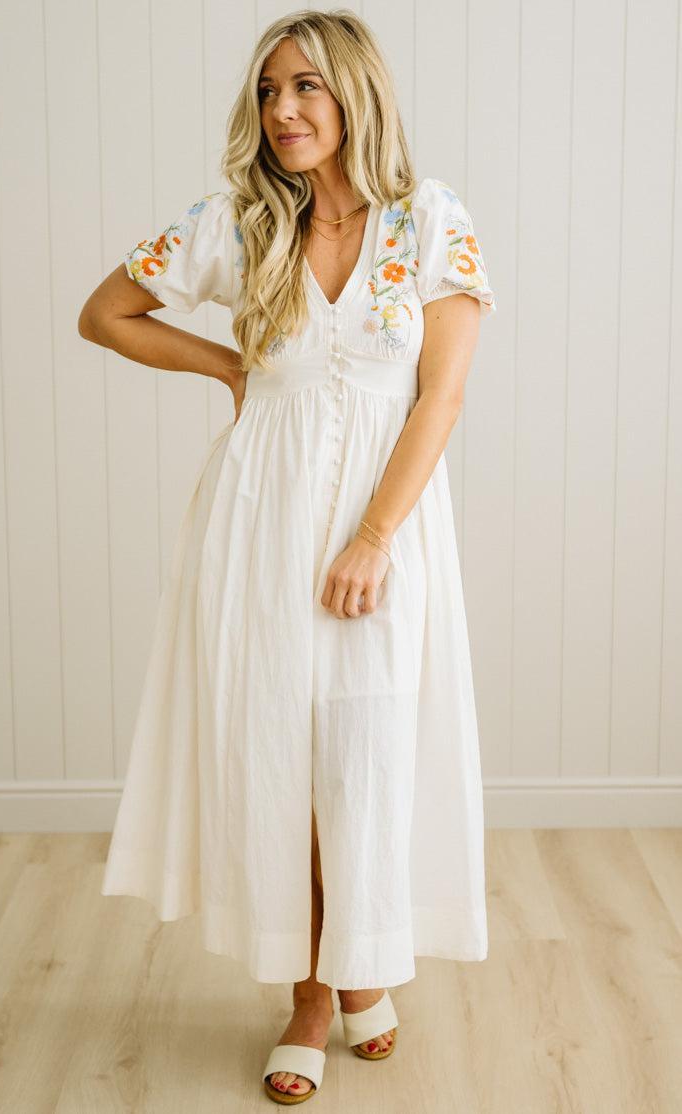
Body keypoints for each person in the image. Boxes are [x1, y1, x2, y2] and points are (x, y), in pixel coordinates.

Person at [79, 9, 496, 1106]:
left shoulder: (428, 219)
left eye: (305, 86)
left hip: (383, 524)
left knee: (365, 746)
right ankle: (316, 992)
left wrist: (372, 535)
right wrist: (228, 366)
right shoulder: (239, 222)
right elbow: (106, 312)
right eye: (268, 92)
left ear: (355, 91)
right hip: (256, 517)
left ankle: (361, 963)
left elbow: (440, 395)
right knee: (281, 753)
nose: (283, 111)